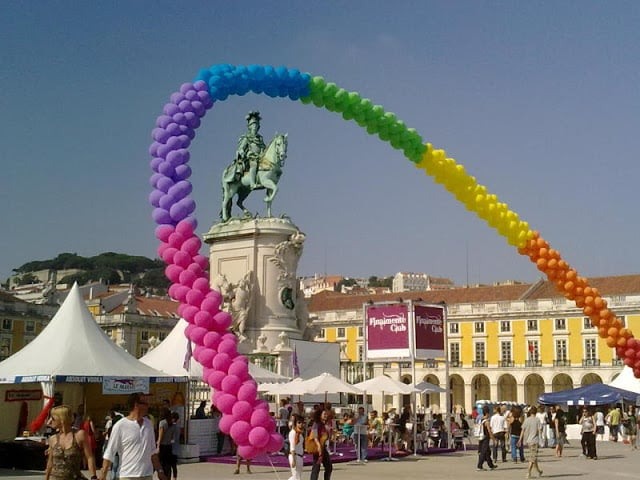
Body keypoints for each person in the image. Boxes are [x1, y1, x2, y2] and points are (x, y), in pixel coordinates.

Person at [100, 392, 166, 480]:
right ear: (136, 405)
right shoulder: (121, 426)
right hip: (127, 475)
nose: (148, 406)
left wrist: (160, 471)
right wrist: (103, 475)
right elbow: (110, 452)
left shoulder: (148, 424)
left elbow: (153, 452)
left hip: (146, 475)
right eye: (145, 403)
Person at [45, 405, 97, 480]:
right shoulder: (53, 439)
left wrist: (93, 477)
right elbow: (50, 463)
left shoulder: (79, 435)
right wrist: (46, 478)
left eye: (53, 418)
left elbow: (89, 457)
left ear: (61, 419)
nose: (50, 421)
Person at [235, 111, 266, 189]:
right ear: (250, 126)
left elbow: (264, 148)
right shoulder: (247, 137)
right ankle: (252, 184)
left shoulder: (260, 138)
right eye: (253, 125)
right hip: (251, 157)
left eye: (256, 125)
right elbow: (241, 148)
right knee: (254, 164)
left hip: (260, 157)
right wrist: (242, 152)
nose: (255, 127)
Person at [518, 406, 543, 480]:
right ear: (536, 412)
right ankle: (528, 472)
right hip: (535, 441)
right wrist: (541, 439)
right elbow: (540, 430)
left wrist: (520, 439)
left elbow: (522, 430)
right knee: (532, 458)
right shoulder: (537, 420)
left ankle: (539, 471)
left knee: (533, 457)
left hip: (528, 441)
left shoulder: (527, 420)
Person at [309, 408, 332, 480]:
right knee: (316, 467)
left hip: (323, 447)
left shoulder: (324, 424)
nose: (326, 415)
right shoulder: (316, 424)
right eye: (324, 414)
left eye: (326, 414)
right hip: (317, 448)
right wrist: (319, 446)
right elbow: (314, 435)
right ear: (320, 415)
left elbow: (327, 436)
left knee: (329, 467)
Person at [157, 408, 178, 480]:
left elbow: (160, 436)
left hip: (162, 446)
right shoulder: (172, 424)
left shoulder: (162, 423)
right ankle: (168, 477)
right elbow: (172, 437)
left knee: (162, 464)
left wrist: (158, 446)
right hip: (169, 446)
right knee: (168, 465)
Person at [476, 405, 497, 471]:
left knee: (487, 452)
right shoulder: (486, 421)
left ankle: (491, 465)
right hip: (485, 438)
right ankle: (479, 466)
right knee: (484, 452)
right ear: (487, 413)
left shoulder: (480, 420)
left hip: (481, 437)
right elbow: (489, 431)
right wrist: (494, 439)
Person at [287, 414, 305, 480]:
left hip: (300, 456)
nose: (300, 424)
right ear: (295, 423)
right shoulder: (293, 433)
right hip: (294, 455)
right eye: (299, 422)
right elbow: (292, 447)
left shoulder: (300, 433)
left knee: (298, 476)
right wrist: (293, 460)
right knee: (296, 476)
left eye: (302, 422)